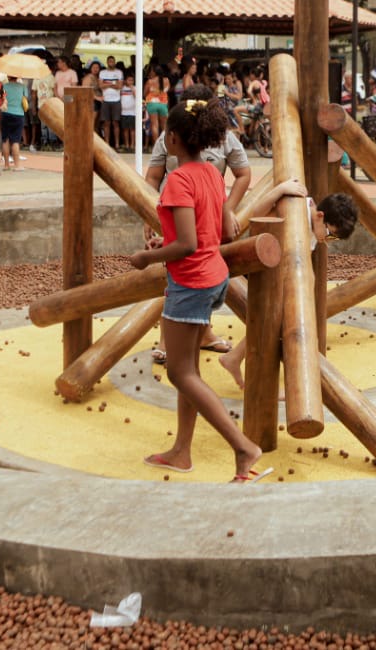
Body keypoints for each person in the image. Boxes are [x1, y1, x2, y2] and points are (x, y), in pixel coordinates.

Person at [129, 98, 270, 483]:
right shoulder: (210, 172)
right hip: (213, 276)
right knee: (188, 369)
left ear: (172, 138)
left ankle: (243, 447)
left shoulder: (177, 180)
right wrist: (167, 242)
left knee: (179, 373)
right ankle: (181, 451)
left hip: (190, 280)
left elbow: (188, 244)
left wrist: (147, 256)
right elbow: (217, 232)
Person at [212, 180, 359, 387]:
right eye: (330, 234)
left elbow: (304, 259)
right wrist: (280, 189)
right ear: (320, 216)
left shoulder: (314, 228)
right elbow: (259, 212)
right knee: (274, 323)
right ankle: (246, 368)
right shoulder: (297, 208)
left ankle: (234, 358)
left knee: (276, 323)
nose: (329, 240)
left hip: (279, 273)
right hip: (262, 264)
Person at [145, 84, 252, 358]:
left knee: (182, 371)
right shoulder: (201, 172)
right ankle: (172, 340)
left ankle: (187, 340)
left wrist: (226, 209)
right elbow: (153, 177)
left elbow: (188, 245)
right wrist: (148, 214)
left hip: (201, 222)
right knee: (180, 282)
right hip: (178, 214)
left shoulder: (196, 169)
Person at [0, 73, 28, 171]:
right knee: (15, 140)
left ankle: (6, 165)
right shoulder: (22, 86)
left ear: (8, 76)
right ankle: (17, 165)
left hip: (5, 113)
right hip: (18, 114)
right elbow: (25, 98)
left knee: (5, 139)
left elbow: (0, 98)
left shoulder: (3, 86)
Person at [98, 55, 124, 148]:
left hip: (116, 100)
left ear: (115, 62)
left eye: (112, 61)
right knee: (106, 123)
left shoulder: (119, 72)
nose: (111, 63)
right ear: (107, 62)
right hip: (105, 100)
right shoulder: (102, 72)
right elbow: (100, 85)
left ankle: (116, 144)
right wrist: (113, 83)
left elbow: (119, 86)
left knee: (116, 123)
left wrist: (107, 83)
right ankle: (107, 143)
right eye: (109, 61)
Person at [144, 70, 170, 146]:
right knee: (164, 125)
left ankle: (156, 145)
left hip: (152, 103)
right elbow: (167, 90)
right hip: (163, 104)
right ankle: (165, 145)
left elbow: (145, 93)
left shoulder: (150, 81)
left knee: (154, 124)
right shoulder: (167, 80)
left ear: (154, 72)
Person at [120, 72, 138, 151]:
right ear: (125, 81)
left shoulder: (135, 88)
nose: (130, 82)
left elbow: (137, 97)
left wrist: (132, 89)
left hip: (133, 112)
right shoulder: (122, 88)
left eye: (132, 80)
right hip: (123, 112)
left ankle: (132, 145)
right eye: (129, 80)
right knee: (125, 129)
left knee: (132, 129)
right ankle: (127, 145)